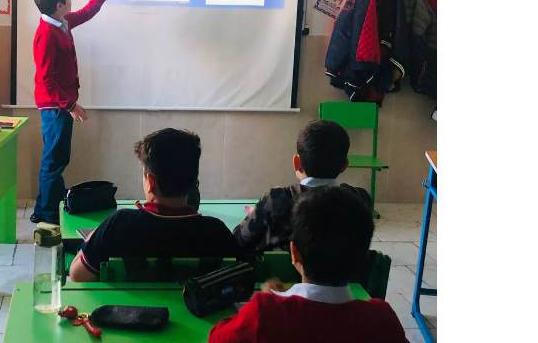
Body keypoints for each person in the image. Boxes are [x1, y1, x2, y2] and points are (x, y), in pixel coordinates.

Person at [209, 186, 407, 343]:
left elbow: (217, 338)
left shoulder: (264, 314)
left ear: (294, 253)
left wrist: (267, 303)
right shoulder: (382, 321)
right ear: (363, 258)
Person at [69, 128, 241, 282]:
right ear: (193, 181)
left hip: (129, 308)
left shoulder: (119, 225)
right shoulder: (217, 232)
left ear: (150, 182)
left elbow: (77, 275)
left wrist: (95, 235)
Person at [29, 0, 125, 224]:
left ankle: (43, 209)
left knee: (56, 159)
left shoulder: (61, 22)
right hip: (54, 106)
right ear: (59, 5)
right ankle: (48, 216)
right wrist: (70, 105)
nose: (71, 0)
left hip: (59, 104)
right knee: (54, 161)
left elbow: (87, 12)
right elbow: (47, 79)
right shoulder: (46, 34)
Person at [233, 119, 370, 253]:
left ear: (296, 162)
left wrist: (259, 213)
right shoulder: (360, 199)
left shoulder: (275, 200)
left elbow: (238, 240)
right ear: (345, 165)